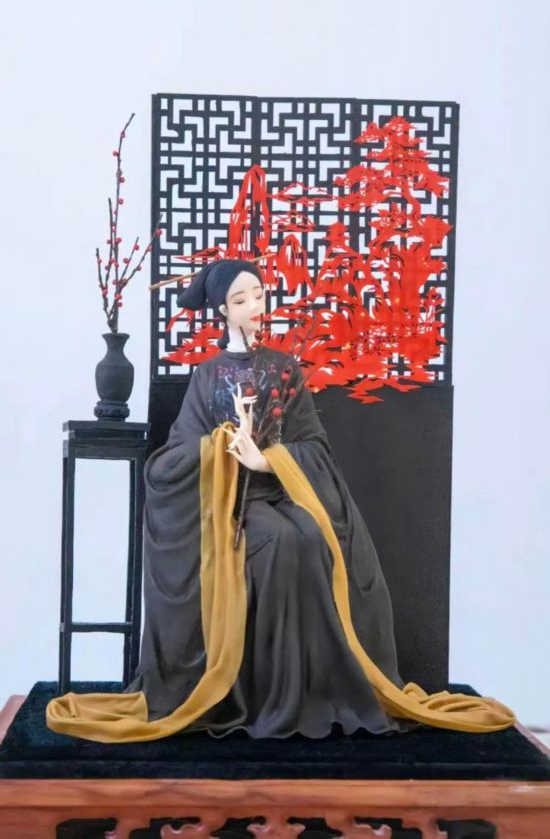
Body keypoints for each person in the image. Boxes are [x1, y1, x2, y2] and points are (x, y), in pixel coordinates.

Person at [45, 259, 516, 743]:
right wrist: (223, 448)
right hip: (233, 504)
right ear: (222, 311)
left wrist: (267, 459)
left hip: (281, 491)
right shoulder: (207, 376)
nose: (253, 306)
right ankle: (266, 694)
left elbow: (314, 445)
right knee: (278, 541)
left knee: (311, 536)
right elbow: (178, 451)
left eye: (259, 294)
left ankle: (313, 691)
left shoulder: (285, 369)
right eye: (240, 299)